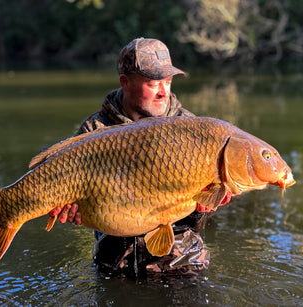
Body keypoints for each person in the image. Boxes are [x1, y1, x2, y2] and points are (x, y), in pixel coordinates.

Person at [49, 37, 210, 277]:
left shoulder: (190, 129)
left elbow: (194, 223)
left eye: (167, 81)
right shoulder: (94, 130)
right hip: (116, 261)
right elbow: (81, 209)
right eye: (153, 83)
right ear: (125, 82)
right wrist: (73, 211)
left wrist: (206, 206)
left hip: (181, 259)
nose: (163, 92)